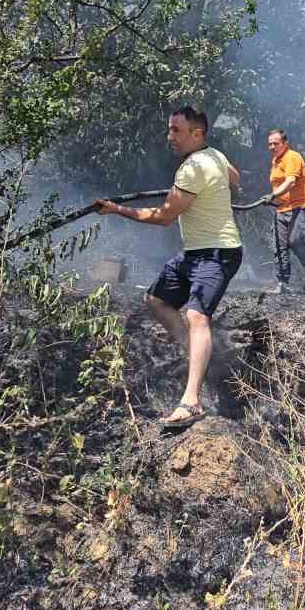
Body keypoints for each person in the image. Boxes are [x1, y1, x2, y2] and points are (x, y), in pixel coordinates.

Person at [96, 106, 242, 428]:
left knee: (196, 315)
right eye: (170, 129)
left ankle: (191, 402)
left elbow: (163, 218)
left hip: (219, 253)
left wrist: (117, 209)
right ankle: (195, 352)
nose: (169, 137)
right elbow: (235, 177)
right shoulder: (215, 155)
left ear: (197, 133)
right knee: (156, 299)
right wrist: (213, 189)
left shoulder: (191, 169)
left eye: (176, 130)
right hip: (194, 253)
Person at [266, 129, 305, 294]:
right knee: (280, 245)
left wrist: (273, 195)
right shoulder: (276, 161)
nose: (272, 146)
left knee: (295, 239)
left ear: (285, 143)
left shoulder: (292, 157)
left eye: (276, 143)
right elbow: (278, 185)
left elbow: (290, 181)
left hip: (300, 204)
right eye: (270, 144)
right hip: (282, 207)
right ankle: (283, 283)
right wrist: (273, 199)